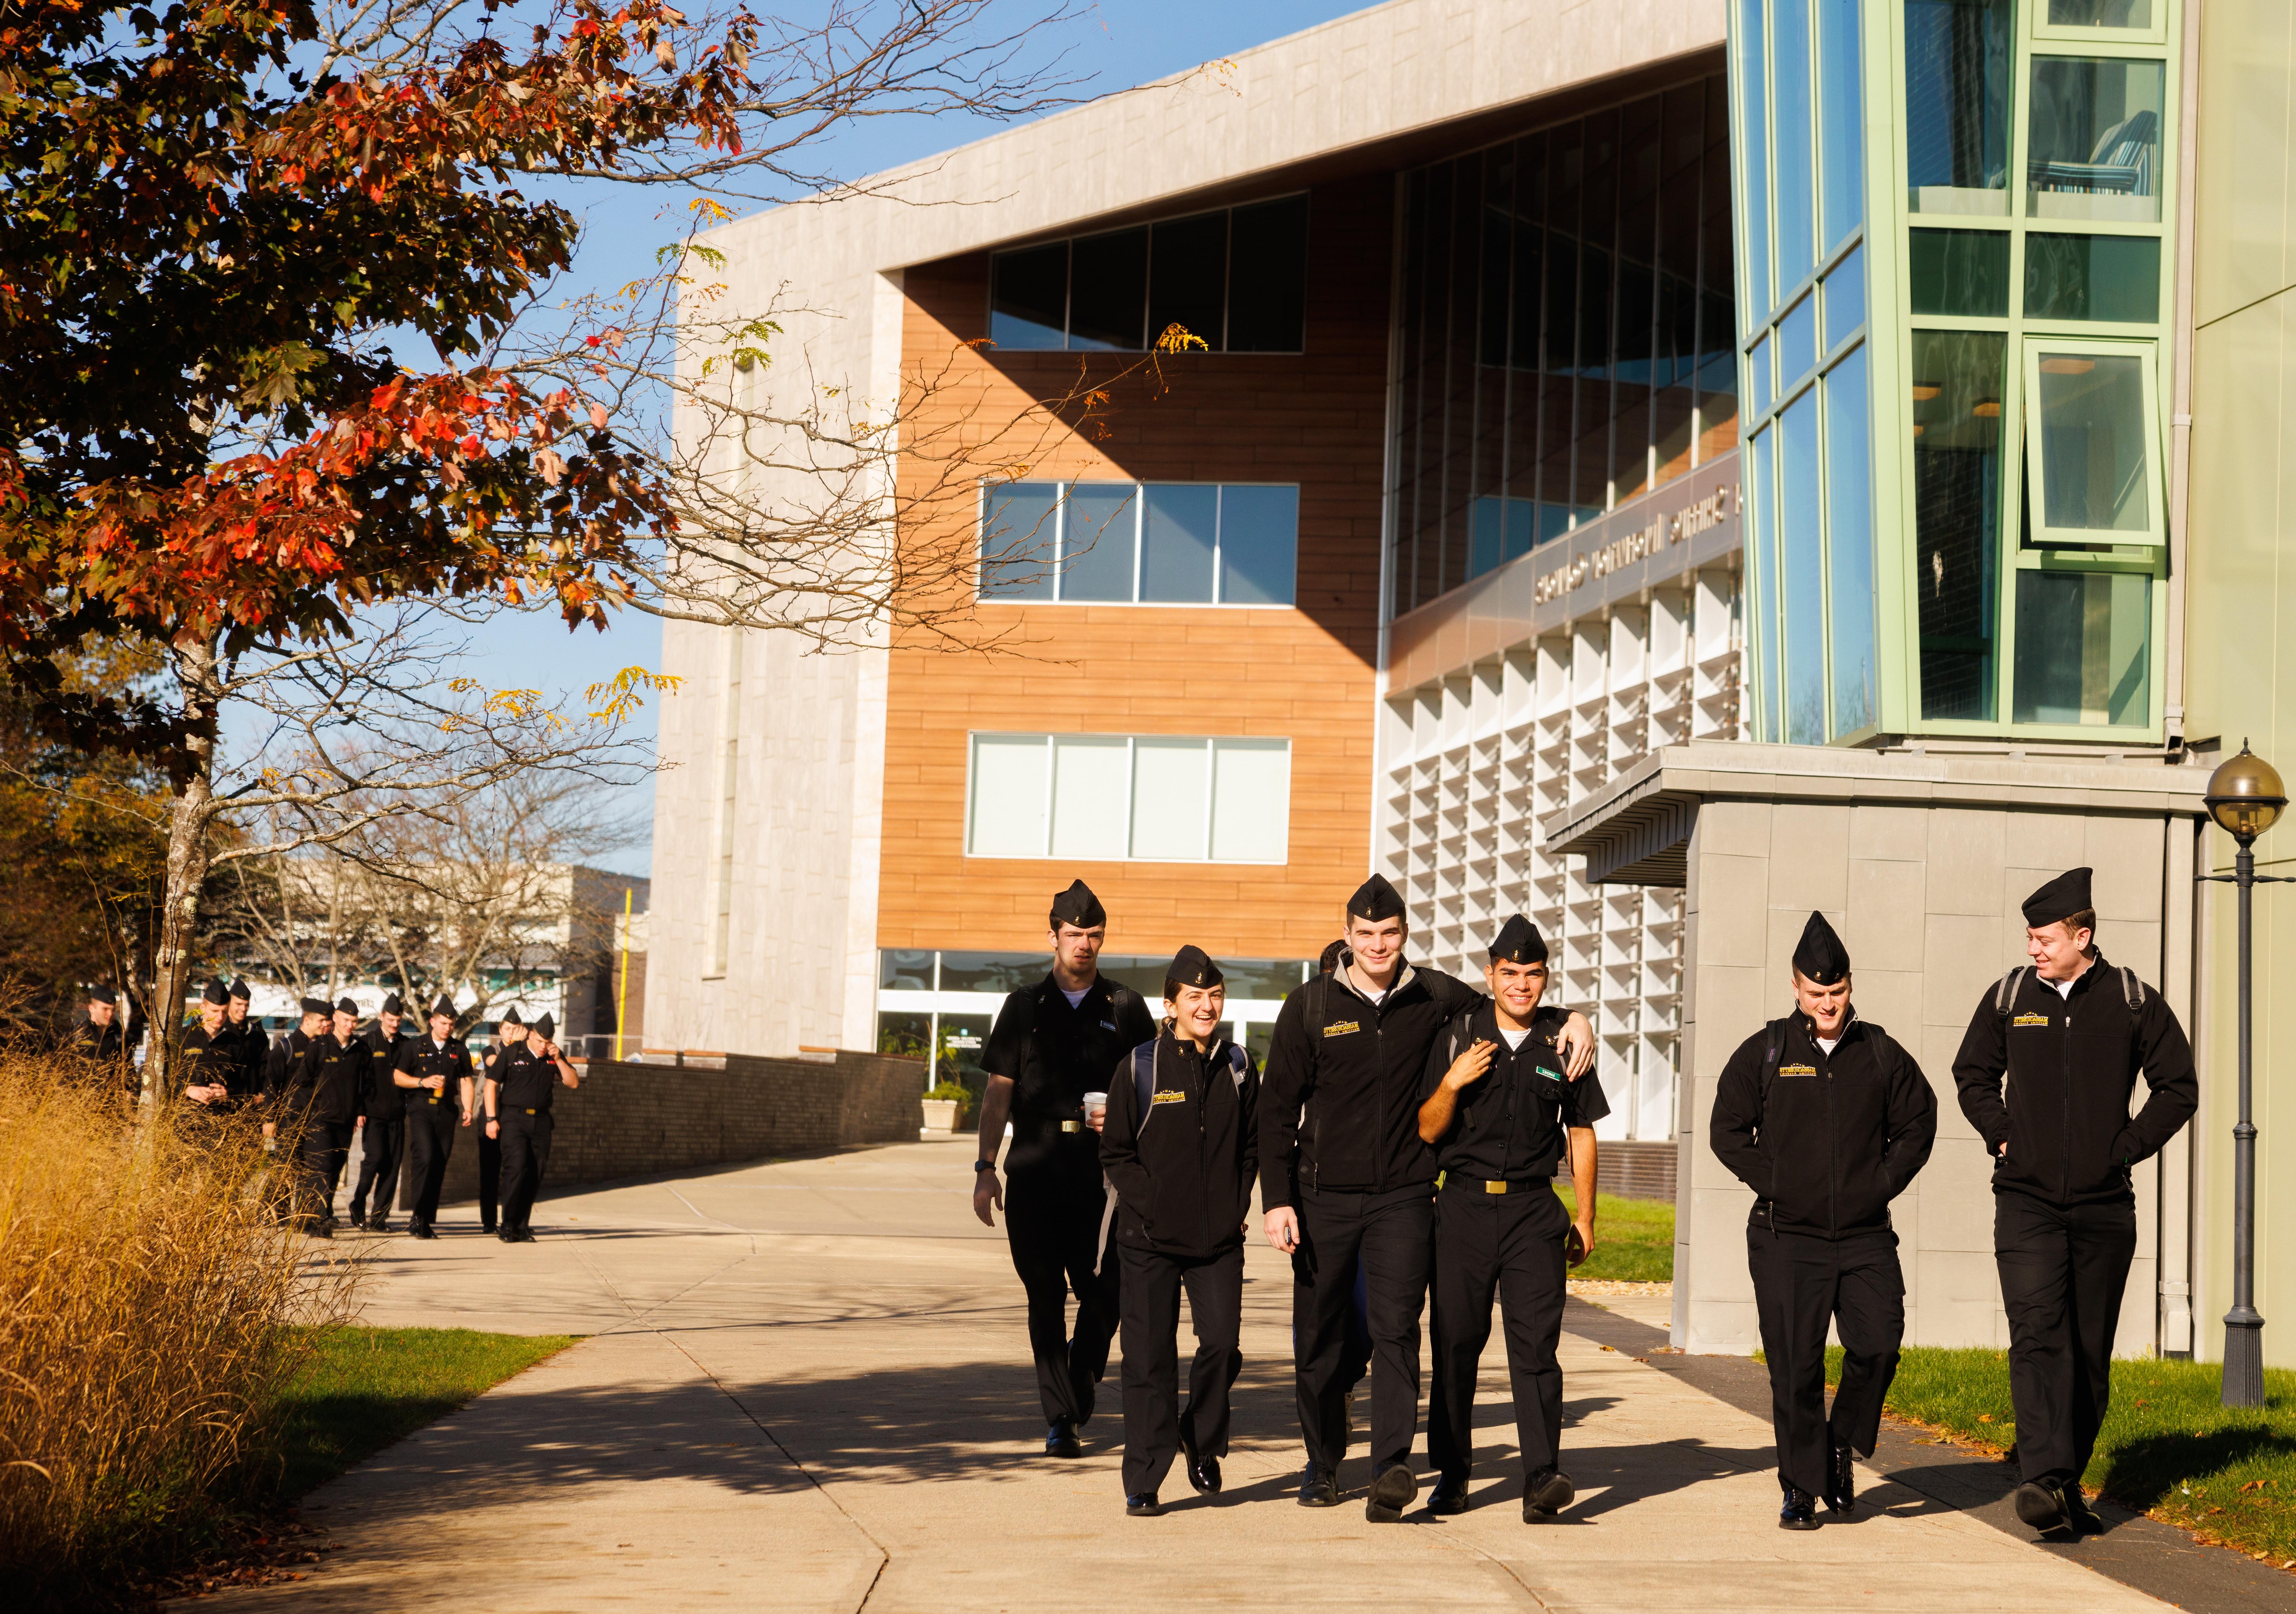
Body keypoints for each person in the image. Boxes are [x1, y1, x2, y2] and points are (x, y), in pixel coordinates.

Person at [1260, 874, 1594, 1520]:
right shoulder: (1308, 1006)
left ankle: (1390, 1467)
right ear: (1347, 934)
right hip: (1322, 1195)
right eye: (1365, 934)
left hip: (1405, 1196)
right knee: (1322, 1338)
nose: (1378, 945)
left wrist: (1575, 1017)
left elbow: (1517, 1004)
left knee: (1396, 1330)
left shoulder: (1435, 996)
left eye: (1389, 933)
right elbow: (1275, 1113)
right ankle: (1323, 1461)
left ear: (1404, 934)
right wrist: (1278, 1199)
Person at [1953, 868, 2196, 1537]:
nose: (2031, 948)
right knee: (2036, 1335)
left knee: (2087, 1351)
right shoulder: (2008, 997)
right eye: (2028, 937)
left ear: (2079, 934)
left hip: (2102, 1207)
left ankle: (2064, 1482)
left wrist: (2123, 1148)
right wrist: (2001, 1135)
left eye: (2043, 937)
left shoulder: (2129, 1001)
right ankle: (2042, 1477)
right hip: (2025, 1199)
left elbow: (2176, 1086)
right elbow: (1970, 1073)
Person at [1710, 912, 1937, 1529]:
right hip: (1787, 1238)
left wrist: (1880, 1184)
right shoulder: (1766, 1050)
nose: (1827, 1003)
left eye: (1836, 992)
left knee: (1878, 1344)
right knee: (1795, 1367)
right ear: (1794, 987)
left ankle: (1842, 1440)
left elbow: (1919, 1121)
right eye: (1815, 993)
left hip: (1864, 1236)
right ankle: (1801, 1487)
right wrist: (1778, 1182)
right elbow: (1725, 1131)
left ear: (1849, 986)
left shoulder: (1880, 1053)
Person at [1418, 914, 1607, 1523]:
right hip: (1463, 1207)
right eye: (1509, 973)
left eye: (1531, 974)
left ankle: (1540, 1474)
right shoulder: (1457, 1034)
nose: (1520, 985)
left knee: (1535, 1348)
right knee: (1454, 1345)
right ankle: (1451, 1473)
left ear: (1545, 978)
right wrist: (1451, 1083)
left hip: (1532, 1212)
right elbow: (1425, 1127)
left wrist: (1584, 1216)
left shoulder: (1563, 1041)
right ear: (1489, 975)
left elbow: (1580, 1132)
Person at [973, 880, 1159, 1458]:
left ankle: (1078, 1380)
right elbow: (996, 1095)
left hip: (1102, 1170)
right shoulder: (1023, 1006)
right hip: (1032, 1165)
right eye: (1073, 933)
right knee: (1044, 1295)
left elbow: (1154, 1087)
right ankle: (1061, 1419)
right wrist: (985, 1168)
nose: (1083, 943)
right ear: (1052, 935)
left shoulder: (1125, 1007)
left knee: (1108, 1290)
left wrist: (1131, 1127)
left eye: (1093, 934)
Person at [1097, 946, 1258, 1518]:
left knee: (1221, 1345)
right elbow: (1115, 1151)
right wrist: (1153, 1209)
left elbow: (1248, 1147)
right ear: (1170, 1004)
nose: (1206, 1005)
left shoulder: (1238, 1065)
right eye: (1194, 996)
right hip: (1146, 1242)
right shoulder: (1139, 1067)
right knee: (1147, 1362)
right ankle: (1143, 1477)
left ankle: (1201, 1435)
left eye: (1214, 994)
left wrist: (1236, 1205)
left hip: (1217, 1242)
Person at [485, 1010, 581, 1242]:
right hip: (513, 1119)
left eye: (547, 1042)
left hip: (540, 1121)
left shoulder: (552, 1056)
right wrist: (491, 1118)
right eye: (540, 1041)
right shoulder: (512, 1052)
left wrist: (558, 1058)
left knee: (535, 1173)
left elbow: (573, 1082)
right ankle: (507, 1225)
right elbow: (491, 1084)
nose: (542, 1046)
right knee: (516, 1169)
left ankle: (521, 1226)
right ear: (530, 1035)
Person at [281, 996, 367, 1236]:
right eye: (346, 1020)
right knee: (320, 1168)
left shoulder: (360, 1050)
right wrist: (306, 1112)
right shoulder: (319, 1047)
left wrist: (360, 1111)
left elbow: (364, 1086)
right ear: (336, 1019)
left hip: (345, 1121)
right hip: (319, 1120)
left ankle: (310, 1219)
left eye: (354, 1021)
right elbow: (302, 1082)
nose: (350, 1025)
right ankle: (320, 1219)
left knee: (334, 1170)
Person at [395, 996, 475, 1240]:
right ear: (432, 1021)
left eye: (451, 1024)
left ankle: (426, 1220)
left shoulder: (458, 1049)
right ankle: (418, 1217)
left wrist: (469, 1108)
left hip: (446, 1112)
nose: (447, 1028)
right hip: (421, 1108)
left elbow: (466, 1081)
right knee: (425, 1157)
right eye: (442, 1023)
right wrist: (422, 1082)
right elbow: (398, 1077)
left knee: (439, 1164)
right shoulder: (415, 1046)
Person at [349, 993, 412, 1231]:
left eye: (398, 1020)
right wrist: (359, 1110)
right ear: (381, 1017)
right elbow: (359, 1080)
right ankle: (358, 1202)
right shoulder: (368, 1042)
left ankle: (379, 1217)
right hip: (373, 1115)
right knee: (374, 1160)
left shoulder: (406, 1044)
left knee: (392, 1166)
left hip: (397, 1114)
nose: (395, 1024)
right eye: (391, 1019)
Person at [477, 1007, 525, 1234]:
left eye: (516, 1029)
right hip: (489, 1114)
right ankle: (489, 1221)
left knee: (513, 1169)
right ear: (500, 1029)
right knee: (490, 1168)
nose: (511, 1033)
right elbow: (496, 1065)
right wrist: (518, 1049)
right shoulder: (491, 1049)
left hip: (512, 1117)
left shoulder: (525, 1054)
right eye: (507, 1028)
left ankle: (511, 1221)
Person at [64, 984, 141, 1103]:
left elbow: (128, 1071)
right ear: (91, 1008)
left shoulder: (119, 1037)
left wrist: (128, 1092)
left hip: (109, 1107)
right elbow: (60, 1068)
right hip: (76, 1106)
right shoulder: (76, 1033)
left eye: (113, 1010)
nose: (110, 1014)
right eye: (105, 1009)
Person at [178, 979, 244, 1114]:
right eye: (214, 1011)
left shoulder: (235, 1043)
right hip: (183, 1121)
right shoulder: (182, 1037)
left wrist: (228, 1094)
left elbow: (247, 1086)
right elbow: (161, 1079)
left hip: (222, 1122)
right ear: (203, 1008)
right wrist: (187, 1090)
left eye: (224, 1012)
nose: (220, 1017)